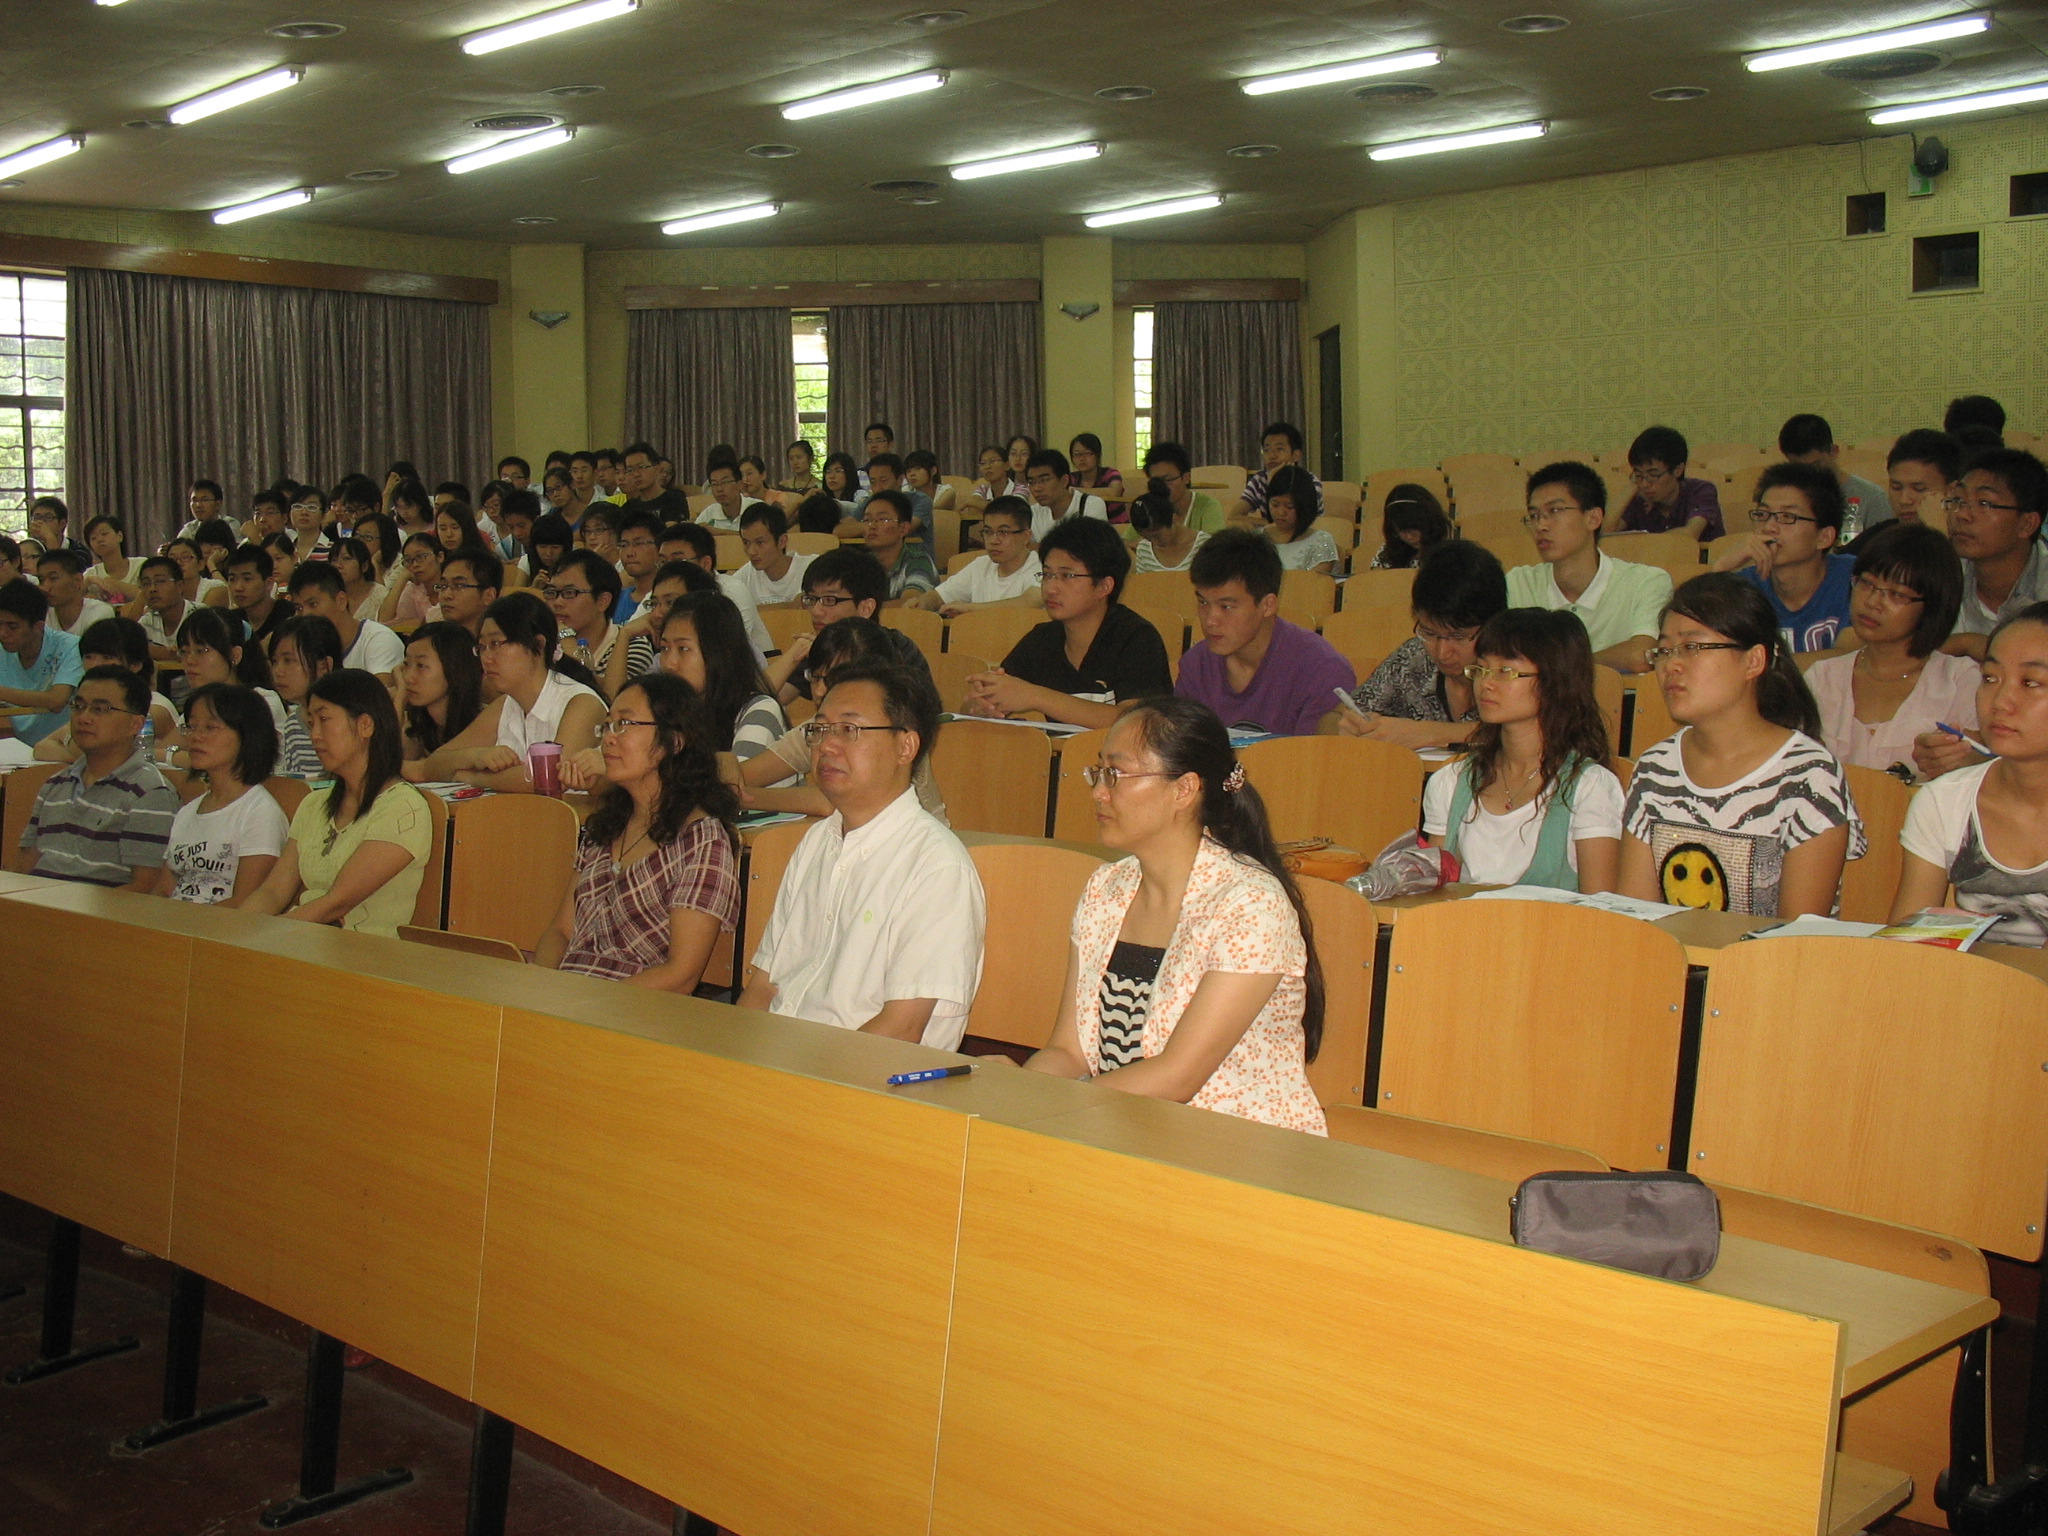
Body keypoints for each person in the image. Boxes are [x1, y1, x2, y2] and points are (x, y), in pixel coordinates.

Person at [1025, 697, 1326, 1134]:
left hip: (1233, 1146)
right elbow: (1068, 1052)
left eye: (1117, 774)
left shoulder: (1250, 904)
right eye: (1099, 771)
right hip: (1119, 1124)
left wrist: (1054, 1105)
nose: (1098, 792)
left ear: (1184, 790)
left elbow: (1177, 1078)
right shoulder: (1105, 888)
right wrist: (1020, 1094)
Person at [738, 659, 984, 1048]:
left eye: (849, 730)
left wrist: (793, 1073)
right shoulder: (816, 842)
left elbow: (901, 1029)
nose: (826, 745)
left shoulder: (937, 866)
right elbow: (763, 988)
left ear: (905, 746)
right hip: (781, 1059)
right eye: (820, 729)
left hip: (864, 1075)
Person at [1618, 574, 1863, 918]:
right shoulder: (1654, 768)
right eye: (1664, 650)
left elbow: (1797, 934)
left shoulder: (1809, 776)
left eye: (1692, 647)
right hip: (1667, 952)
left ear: (1753, 661)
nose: (1671, 665)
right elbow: (1635, 914)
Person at [536, 674, 744, 988]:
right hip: (567, 994)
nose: (608, 738)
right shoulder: (605, 826)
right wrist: (539, 988)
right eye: (607, 725)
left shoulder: (702, 840)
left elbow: (681, 974)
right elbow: (560, 932)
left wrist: (589, 1004)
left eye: (624, 724)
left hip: (633, 1006)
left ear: (674, 741)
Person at [1421, 609, 1623, 891]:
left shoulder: (1590, 787)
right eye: (1481, 669)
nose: (1486, 684)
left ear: (1555, 681)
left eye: (1505, 671)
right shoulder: (1452, 782)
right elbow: (1434, 893)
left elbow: (1600, 907)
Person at [1893, 601, 2048, 944]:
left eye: (2031, 683)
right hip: (1973, 978)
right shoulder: (1946, 801)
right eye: (1990, 678)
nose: (2001, 701)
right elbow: (1909, 949)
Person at [242, 669, 434, 936]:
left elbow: (336, 903)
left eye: (324, 720)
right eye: (311, 723)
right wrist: (234, 931)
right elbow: (273, 891)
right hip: (306, 940)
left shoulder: (403, 807)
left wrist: (267, 936)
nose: (315, 735)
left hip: (364, 952)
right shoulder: (314, 803)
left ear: (365, 725)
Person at [1805, 521, 1980, 775]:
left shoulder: (1960, 681)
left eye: (1897, 594)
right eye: (1866, 583)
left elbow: (1982, 767)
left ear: (1932, 607)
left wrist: (1959, 760)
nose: (1872, 602)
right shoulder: (1822, 678)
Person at [964, 516, 1172, 729]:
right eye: (1047, 574)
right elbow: (978, 702)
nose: (1050, 588)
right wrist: (982, 706)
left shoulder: (1137, 637)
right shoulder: (1041, 640)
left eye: (1067, 576)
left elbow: (1136, 722)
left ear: (1104, 586)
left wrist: (1034, 696)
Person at [733, 618, 948, 821]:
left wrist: (740, 797)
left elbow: (834, 801)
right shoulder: (819, 728)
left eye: (835, 678)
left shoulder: (892, 729)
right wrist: (725, 767)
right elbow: (742, 776)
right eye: (816, 677)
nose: (819, 691)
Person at [417, 594, 606, 791]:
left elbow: (549, 777)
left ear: (538, 645)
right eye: (481, 647)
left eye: (496, 644)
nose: (486, 658)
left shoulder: (582, 703)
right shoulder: (505, 704)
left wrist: (473, 777)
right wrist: (476, 756)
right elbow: (433, 766)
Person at [1327, 539, 1508, 746]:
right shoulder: (1413, 658)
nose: (1442, 653)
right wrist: (1347, 727)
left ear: (1493, 624)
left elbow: (1533, 732)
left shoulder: (1518, 666)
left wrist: (1433, 733)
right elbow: (1333, 717)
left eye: (1458, 637)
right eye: (1429, 633)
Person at [1175, 531, 1355, 737]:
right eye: (1203, 602)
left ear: (1267, 605)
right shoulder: (1195, 664)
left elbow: (1316, 754)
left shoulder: (1322, 670)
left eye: (1226, 606)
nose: (1210, 621)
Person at [18, 665, 179, 888]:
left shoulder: (150, 792)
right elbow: (24, 869)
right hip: (37, 902)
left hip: (104, 908)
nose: (84, 718)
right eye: (78, 706)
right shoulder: (55, 784)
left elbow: (145, 888)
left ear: (135, 724)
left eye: (100, 709)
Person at [1507, 460, 1673, 673]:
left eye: (1554, 510)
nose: (1541, 525)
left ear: (1593, 518)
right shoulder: (1519, 583)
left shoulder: (1645, 582)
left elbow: (1641, 656)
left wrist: (1562, 668)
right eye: (1534, 516)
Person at [152, 683, 287, 907]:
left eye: (210, 727)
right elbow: (163, 890)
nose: (196, 737)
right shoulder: (187, 812)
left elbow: (246, 902)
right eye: (191, 726)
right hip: (174, 921)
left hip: (218, 925)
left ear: (247, 734)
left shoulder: (260, 813)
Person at [1709, 460, 1854, 652]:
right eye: (1763, 514)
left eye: (1787, 517)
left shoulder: (1854, 579)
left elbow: (1848, 659)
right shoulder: (1745, 588)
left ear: (1824, 537)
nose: (1769, 527)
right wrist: (1720, 568)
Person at [766, 548, 935, 706]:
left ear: (866, 608)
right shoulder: (820, 647)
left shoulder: (896, 648)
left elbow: (908, 714)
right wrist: (795, 653)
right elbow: (758, 700)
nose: (816, 611)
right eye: (811, 599)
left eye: (829, 600)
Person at [1944, 447, 2048, 658]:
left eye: (1985, 503)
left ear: (2027, 524)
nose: (1962, 514)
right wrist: (1964, 643)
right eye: (1958, 500)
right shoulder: (1940, 576)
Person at [33, 617, 177, 761]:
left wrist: (70, 747)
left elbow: (105, 753)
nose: (94, 665)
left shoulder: (155, 709)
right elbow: (42, 748)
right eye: (89, 657)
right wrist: (83, 761)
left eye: (107, 657)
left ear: (135, 665)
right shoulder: (90, 703)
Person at [910, 495, 1041, 615]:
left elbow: (1030, 602)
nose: (993, 540)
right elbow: (939, 596)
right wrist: (922, 603)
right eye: (988, 532)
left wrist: (969, 608)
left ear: (1026, 536)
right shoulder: (980, 565)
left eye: (1003, 532)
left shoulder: (1041, 566)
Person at [171, 606, 285, 734]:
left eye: (201, 651)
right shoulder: (198, 707)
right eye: (184, 652)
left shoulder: (264, 702)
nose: (190, 660)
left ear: (235, 655)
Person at [286, 562, 404, 683]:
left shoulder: (379, 640)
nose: (305, 614)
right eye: (299, 608)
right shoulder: (306, 646)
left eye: (313, 604)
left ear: (341, 600)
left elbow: (381, 693)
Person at [1777, 412, 1891, 537]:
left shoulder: (1871, 497)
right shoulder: (1786, 497)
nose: (1808, 474)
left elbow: (1884, 546)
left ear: (1833, 451)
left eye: (1815, 465)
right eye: (1798, 468)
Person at [0, 577, 83, 745]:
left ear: (38, 626)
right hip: (17, 747)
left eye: (12, 626)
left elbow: (56, 701)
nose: (3, 633)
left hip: (62, 747)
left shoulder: (70, 647)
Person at [397, 621, 485, 772]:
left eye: (421, 666)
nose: (408, 677)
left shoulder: (483, 724)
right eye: (406, 664)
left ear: (455, 669)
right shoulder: (419, 724)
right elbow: (386, 767)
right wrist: (399, 700)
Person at [267, 615, 344, 778]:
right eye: (274, 661)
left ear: (323, 666)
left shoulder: (348, 717)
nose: (278, 671)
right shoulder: (293, 724)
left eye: (288, 660)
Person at [1615, 425, 1725, 539]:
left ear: (1678, 470)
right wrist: (1630, 488)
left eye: (1653, 475)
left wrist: (1644, 543)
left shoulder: (1702, 491)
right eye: (1639, 475)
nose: (1644, 484)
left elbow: (1689, 534)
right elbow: (1605, 535)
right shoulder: (1639, 499)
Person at [545, 549, 625, 675]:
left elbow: (609, 689)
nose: (557, 602)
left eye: (570, 592)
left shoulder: (629, 643)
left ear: (602, 601)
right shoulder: (542, 641)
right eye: (552, 592)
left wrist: (566, 636)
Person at [1231, 423, 1319, 527]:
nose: (1272, 456)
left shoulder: (1311, 482)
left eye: (1279, 449)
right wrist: (1270, 525)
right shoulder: (1259, 480)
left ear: (1296, 455)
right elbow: (1234, 517)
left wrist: (1273, 483)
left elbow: (1302, 522)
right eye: (1267, 450)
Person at [728, 503, 814, 608]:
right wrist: (790, 606)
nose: (751, 551)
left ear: (782, 541)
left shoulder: (811, 569)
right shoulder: (746, 575)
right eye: (746, 542)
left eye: (760, 543)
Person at [1259, 465, 1340, 574]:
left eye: (1290, 507)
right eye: (1275, 505)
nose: (1281, 512)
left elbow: (1316, 583)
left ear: (1305, 506)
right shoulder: (1256, 539)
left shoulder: (1320, 542)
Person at [1138, 441, 1228, 540]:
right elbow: (1127, 542)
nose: (1161, 487)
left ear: (1186, 478)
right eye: (1156, 482)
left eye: (1168, 480)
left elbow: (1215, 544)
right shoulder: (1148, 507)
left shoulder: (1208, 506)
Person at [1879, 428, 1964, 532]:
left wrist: (1938, 531)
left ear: (1952, 491)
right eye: (1896, 488)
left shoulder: (1972, 536)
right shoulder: (1876, 537)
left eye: (1919, 489)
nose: (1904, 500)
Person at [861, 489, 938, 600]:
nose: (872, 526)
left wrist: (862, 608)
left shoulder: (919, 561)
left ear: (903, 528)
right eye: (867, 520)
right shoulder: (860, 564)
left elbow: (911, 603)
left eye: (883, 519)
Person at [1023, 448, 1109, 541]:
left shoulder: (1090, 505)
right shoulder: (1033, 513)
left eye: (1044, 480)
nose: (1037, 488)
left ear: (1064, 480)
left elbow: (1096, 547)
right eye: (1031, 482)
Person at [224, 542, 291, 655]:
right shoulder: (230, 622)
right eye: (232, 579)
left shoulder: (288, 616)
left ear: (269, 583)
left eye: (247, 579)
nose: (238, 587)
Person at [1128, 484, 1209, 574]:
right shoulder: (1144, 549)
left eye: (1157, 536)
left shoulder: (1204, 545)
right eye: (1147, 538)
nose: (1154, 542)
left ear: (1174, 519)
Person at [34, 548, 114, 638]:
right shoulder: (42, 617)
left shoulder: (99, 614)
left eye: (53, 578)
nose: (45, 587)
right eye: (41, 580)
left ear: (77, 580)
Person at [856, 454, 934, 546]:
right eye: (873, 482)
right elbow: (843, 528)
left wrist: (865, 526)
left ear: (900, 480)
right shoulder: (869, 502)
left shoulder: (920, 500)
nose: (878, 488)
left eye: (883, 481)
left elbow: (905, 528)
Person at [1369, 484, 1453, 569]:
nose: (1409, 537)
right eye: (1401, 531)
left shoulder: (1448, 552)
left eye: (1414, 529)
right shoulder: (1387, 553)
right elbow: (1376, 575)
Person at [380, 532, 445, 629]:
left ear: (440, 556)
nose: (415, 564)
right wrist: (402, 577)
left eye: (420, 557)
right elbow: (384, 621)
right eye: (408, 560)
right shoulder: (413, 590)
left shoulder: (454, 587)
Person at [617, 441, 691, 523]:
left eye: (641, 467)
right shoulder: (628, 508)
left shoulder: (675, 499)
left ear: (656, 468)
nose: (636, 474)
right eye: (630, 470)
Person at [612, 510, 666, 622]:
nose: (630, 553)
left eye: (639, 543)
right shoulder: (614, 601)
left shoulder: (670, 601)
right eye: (624, 545)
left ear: (660, 547)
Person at [435, 547, 501, 637]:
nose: (446, 595)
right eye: (443, 586)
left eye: (459, 585)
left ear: (489, 596)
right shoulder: (434, 640)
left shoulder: (503, 643)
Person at [331, 536, 388, 624]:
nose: (338, 565)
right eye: (334, 560)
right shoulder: (328, 595)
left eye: (346, 558)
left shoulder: (381, 596)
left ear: (364, 566)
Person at [83, 514, 139, 600]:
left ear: (119, 536)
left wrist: (118, 585)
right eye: (93, 538)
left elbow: (151, 596)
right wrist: (88, 581)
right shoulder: (91, 574)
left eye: (104, 534)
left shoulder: (140, 565)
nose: (99, 539)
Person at [695, 461, 756, 533]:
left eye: (725, 482)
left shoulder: (756, 508)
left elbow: (763, 537)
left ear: (740, 485)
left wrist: (720, 532)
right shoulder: (709, 513)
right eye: (714, 484)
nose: (719, 489)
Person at [286, 483, 333, 563]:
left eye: (312, 507)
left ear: (323, 515)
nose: (304, 512)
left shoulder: (334, 550)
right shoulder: (285, 549)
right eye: (298, 506)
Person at [1068, 433, 1123, 498]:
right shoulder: (1071, 478)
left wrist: (1077, 491)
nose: (1082, 458)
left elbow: (1114, 493)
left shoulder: (1110, 474)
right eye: (1077, 454)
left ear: (1097, 456)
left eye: (1087, 453)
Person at [818, 452, 862, 522]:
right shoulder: (822, 496)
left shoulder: (859, 494)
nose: (831, 476)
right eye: (828, 471)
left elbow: (863, 510)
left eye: (838, 471)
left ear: (849, 473)